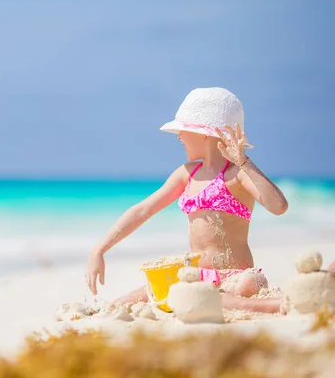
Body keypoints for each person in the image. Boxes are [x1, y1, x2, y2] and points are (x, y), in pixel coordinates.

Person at [85, 87, 289, 313]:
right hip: (195, 276)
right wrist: (99, 250)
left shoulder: (236, 174)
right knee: (126, 301)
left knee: (246, 286)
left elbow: (279, 206)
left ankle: (265, 305)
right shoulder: (187, 173)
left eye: (183, 131)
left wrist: (245, 163)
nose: (179, 137)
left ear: (203, 133)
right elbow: (142, 210)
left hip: (234, 278)